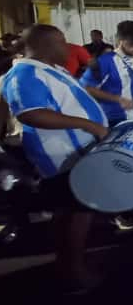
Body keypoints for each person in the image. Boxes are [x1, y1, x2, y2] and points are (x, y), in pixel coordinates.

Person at [1, 24, 108, 291]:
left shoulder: (50, 69)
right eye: (61, 41)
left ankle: (67, 264)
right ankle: (75, 271)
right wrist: (89, 125)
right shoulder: (25, 74)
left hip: (75, 151)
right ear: (45, 45)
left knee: (68, 211)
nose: (67, 47)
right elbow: (31, 114)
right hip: (60, 154)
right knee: (78, 211)